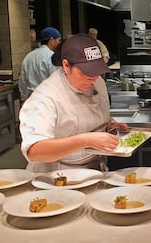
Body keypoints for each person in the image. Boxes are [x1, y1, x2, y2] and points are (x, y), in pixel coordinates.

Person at [19, 34, 129, 173]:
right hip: (56, 176)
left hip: (93, 169)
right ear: (66, 65)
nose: (93, 78)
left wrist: (109, 125)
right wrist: (85, 140)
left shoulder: (97, 81)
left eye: (96, 71)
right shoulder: (45, 97)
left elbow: (91, 115)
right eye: (86, 72)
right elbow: (34, 151)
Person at [18, 26, 62, 101]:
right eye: (58, 40)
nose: (59, 43)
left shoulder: (29, 56)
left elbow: (22, 80)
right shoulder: (51, 56)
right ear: (51, 40)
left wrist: (24, 98)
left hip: (31, 99)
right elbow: (57, 80)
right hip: (47, 99)